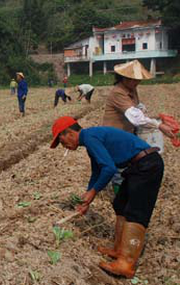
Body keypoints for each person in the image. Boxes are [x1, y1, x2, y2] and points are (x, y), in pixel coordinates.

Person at [50, 116, 164, 279]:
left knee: (135, 212)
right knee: (120, 204)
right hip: (138, 166)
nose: (64, 146)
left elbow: (109, 168)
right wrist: (87, 198)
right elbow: (97, 171)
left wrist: (93, 192)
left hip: (147, 165)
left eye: (62, 142)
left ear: (69, 133)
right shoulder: (90, 139)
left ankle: (126, 264)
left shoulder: (89, 137)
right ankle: (118, 249)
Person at [102, 60, 175, 193]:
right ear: (125, 78)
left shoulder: (131, 89)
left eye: (138, 80)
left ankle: (126, 192)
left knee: (129, 164)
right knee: (118, 169)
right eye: (134, 80)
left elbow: (137, 109)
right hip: (115, 136)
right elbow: (135, 117)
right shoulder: (118, 92)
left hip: (126, 134)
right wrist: (159, 125)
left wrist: (156, 117)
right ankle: (119, 200)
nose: (137, 82)